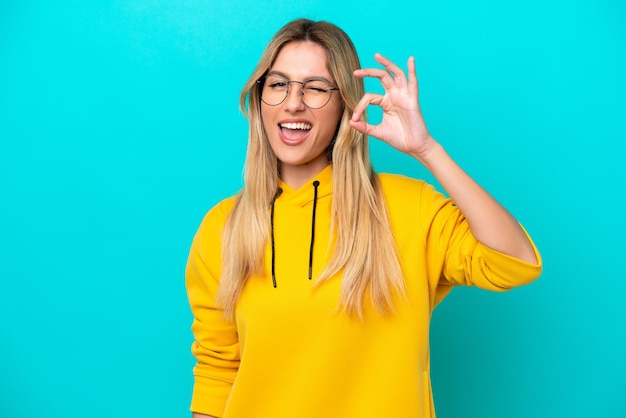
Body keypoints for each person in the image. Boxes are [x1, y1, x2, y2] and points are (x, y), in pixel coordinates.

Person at [185, 18, 542, 418]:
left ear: (346, 105)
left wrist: (427, 150)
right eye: (279, 84)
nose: (293, 102)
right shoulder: (223, 227)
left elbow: (516, 262)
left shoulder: (410, 208)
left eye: (317, 88)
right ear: (259, 98)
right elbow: (217, 373)